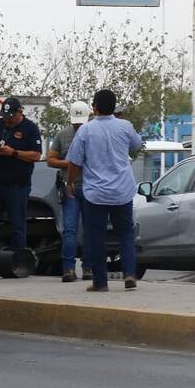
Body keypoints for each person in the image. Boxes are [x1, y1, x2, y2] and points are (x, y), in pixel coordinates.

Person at [65, 89, 144, 292]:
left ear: (95, 107)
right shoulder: (125, 126)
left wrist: (69, 183)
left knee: (96, 236)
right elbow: (136, 145)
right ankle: (129, 274)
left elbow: (74, 162)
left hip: (96, 193)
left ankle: (100, 282)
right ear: (114, 106)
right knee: (126, 233)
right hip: (122, 191)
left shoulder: (85, 130)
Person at [0, 96, 42, 274]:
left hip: (17, 186)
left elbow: (36, 155)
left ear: (20, 112)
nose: (7, 119)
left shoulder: (30, 128)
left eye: (11, 116)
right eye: (5, 115)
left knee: (17, 225)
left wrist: (13, 153)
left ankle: (18, 262)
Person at [47, 101, 91, 282]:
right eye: (76, 122)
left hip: (90, 188)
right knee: (70, 230)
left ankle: (88, 268)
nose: (78, 125)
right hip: (70, 187)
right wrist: (71, 163)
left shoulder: (94, 133)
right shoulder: (62, 135)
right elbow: (50, 159)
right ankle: (68, 269)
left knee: (89, 230)